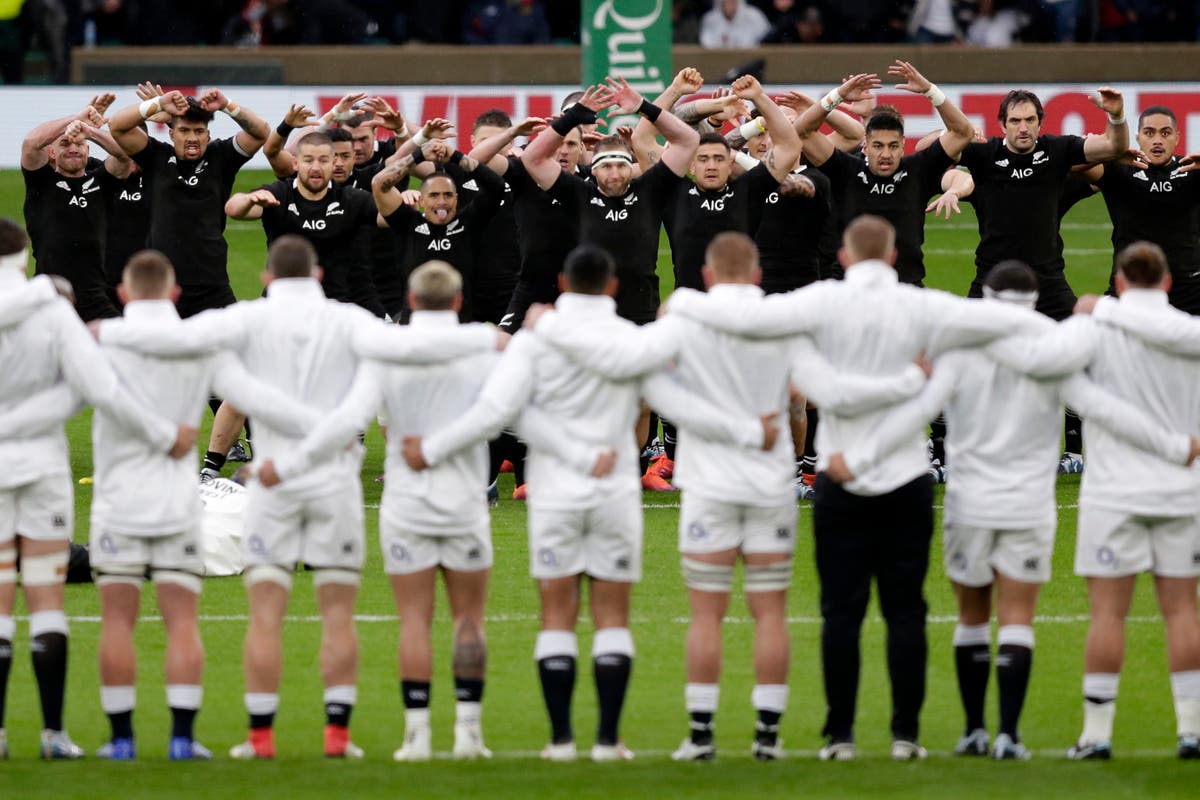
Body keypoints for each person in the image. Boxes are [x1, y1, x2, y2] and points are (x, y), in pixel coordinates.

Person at [94, 235, 503, 760]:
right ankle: (337, 736)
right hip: (333, 485)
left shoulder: (246, 317)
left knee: (265, 615)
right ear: (316, 277)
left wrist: (101, 331)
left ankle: (261, 739)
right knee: (337, 615)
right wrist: (491, 340)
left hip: (273, 485)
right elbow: (414, 344)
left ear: (266, 279)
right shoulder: (348, 319)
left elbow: (174, 337)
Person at [665, 215, 1049, 760]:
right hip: (907, 477)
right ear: (892, 258)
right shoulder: (920, 304)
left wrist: (683, 303)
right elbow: (996, 319)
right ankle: (905, 736)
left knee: (840, 613)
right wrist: (911, 380)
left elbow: (748, 316)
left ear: (844, 257)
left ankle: (841, 737)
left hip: (840, 478)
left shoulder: (821, 300)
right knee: (906, 612)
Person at [401, 244, 774, 762]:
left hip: (554, 496)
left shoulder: (537, 342)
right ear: (614, 287)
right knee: (613, 618)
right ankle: (607, 742)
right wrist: (746, 431)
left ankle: (559, 743)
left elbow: (497, 413)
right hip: (613, 494)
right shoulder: (629, 340)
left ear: (561, 282)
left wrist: (433, 448)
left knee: (556, 616)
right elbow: (675, 405)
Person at [825, 258, 1199, 760]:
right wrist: (1174, 446)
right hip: (1030, 504)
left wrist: (858, 457)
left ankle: (976, 731)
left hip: (971, 503)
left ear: (984, 299)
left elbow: (918, 409)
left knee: (972, 616)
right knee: (1021, 616)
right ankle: (1010, 735)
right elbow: (1098, 406)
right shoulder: (1053, 347)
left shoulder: (960, 353)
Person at [254, 261, 502, 762]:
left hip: (407, 504)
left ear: (410, 302)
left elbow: (349, 417)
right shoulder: (482, 345)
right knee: (469, 619)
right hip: (464, 502)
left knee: (414, 620)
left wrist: (289, 463)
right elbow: (501, 411)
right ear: (458, 301)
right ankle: (469, 733)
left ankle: (417, 735)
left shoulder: (387, 352)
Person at [82, 250, 325, 761]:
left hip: (119, 501)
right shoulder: (199, 347)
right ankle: (181, 739)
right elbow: (252, 397)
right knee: (182, 622)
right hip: (175, 503)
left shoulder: (99, 342)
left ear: (123, 294)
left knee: (117, 621)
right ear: (174, 295)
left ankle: (121, 740)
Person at [0, 218, 196, 760]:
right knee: (45, 602)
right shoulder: (52, 314)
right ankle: (53, 734)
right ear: (24, 258)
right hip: (40, 466)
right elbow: (98, 389)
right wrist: (163, 434)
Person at [1066, 242, 1200, 760]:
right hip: (1181, 487)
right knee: (1183, 611)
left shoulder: (1097, 324)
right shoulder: (1188, 331)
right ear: (1167, 283)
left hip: (1113, 493)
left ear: (1119, 283)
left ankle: (1096, 736)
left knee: (1107, 615)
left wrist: (1102, 310)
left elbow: (1052, 373)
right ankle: (1191, 731)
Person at [954, 87, 1130, 473]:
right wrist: (959, 169)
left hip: (1048, 283)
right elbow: (942, 154)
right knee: (954, 358)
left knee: (1085, 357)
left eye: (1029, 119)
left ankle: (1079, 447)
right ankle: (951, 450)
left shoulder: (1057, 152)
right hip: (992, 282)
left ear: (1040, 123)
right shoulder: (985, 158)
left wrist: (1116, 115)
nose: (1023, 127)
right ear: (1001, 125)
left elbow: (1114, 149)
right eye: (1014, 120)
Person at [794, 64, 975, 287]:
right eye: (878, 146)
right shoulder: (846, 170)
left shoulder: (919, 169)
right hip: (851, 290)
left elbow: (963, 132)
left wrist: (930, 91)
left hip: (906, 289)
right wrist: (837, 96)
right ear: (865, 146)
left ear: (902, 147)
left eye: (893, 146)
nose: (886, 154)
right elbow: (802, 132)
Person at [1073, 106, 1200, 314]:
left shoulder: (1192, 169)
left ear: (1177, 138)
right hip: (1130, 288)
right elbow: (1067, 166)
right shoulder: (1120, 168)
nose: (1157, 140)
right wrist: (1109, 154)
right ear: (1138, 137)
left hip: (1190, 289)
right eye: (1149, 133)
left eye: (1165, 133)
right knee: (1084, 320)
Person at [372, 142, 506, 322]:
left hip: (459, 329)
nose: (442, 202)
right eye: (434, 195)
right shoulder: (407, 223)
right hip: (413, 329)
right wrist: (418, 155)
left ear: (457, 199)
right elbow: (379, 183)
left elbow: (496, 185)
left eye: (448, 195)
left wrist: (455, 156)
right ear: (422, 200)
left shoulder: (470, 222)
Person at [21, 95, 128, 321]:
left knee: (117, 350)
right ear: (51, 152)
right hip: (50, 295)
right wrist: (77, 117)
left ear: (88, 151)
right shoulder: (41, 182)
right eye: (65, 143)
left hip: (95, 296)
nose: (73, 148)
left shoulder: (102, 181)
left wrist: (90, 131)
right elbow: (31, 143)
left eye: (79, 144)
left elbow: (125, 156)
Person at [699, 0, 770, 47]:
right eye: (726, 3)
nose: (729, 6)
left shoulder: (754, 16)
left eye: (732, 2)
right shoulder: (710, 19)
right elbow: (706, 43)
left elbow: (766, 37)